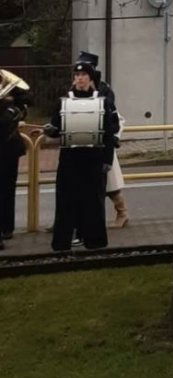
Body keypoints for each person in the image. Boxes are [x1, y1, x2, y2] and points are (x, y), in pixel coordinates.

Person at [43, 61, 119, 251]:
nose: (80, 79)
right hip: (70, 159)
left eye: (84, 75)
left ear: (90, 78)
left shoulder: (103, 102)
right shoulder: (63, 102)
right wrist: (51, 131)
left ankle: (94, 241)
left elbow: (110, 133)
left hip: (94, 159)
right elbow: (55, 129)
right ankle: (62, 243)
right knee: (66, 200)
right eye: (77, 76)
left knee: (93, 201)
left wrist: (107, 160)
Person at [76, 51, 130, 229]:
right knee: (77, 185)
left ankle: (122, 212)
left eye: (84, 71)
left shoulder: (104, 88)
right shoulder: (75, 87)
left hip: (101, 141)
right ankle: (72, 219)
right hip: (81, 140)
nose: (80, 76)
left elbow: (112, 115)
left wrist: (113, 137)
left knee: (110, 183)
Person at [0, 68, 29, 247]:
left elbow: (23, 105)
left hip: (9, 149)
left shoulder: (13, 103)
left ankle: (7, 228)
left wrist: (7, 101)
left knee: (7, 189)